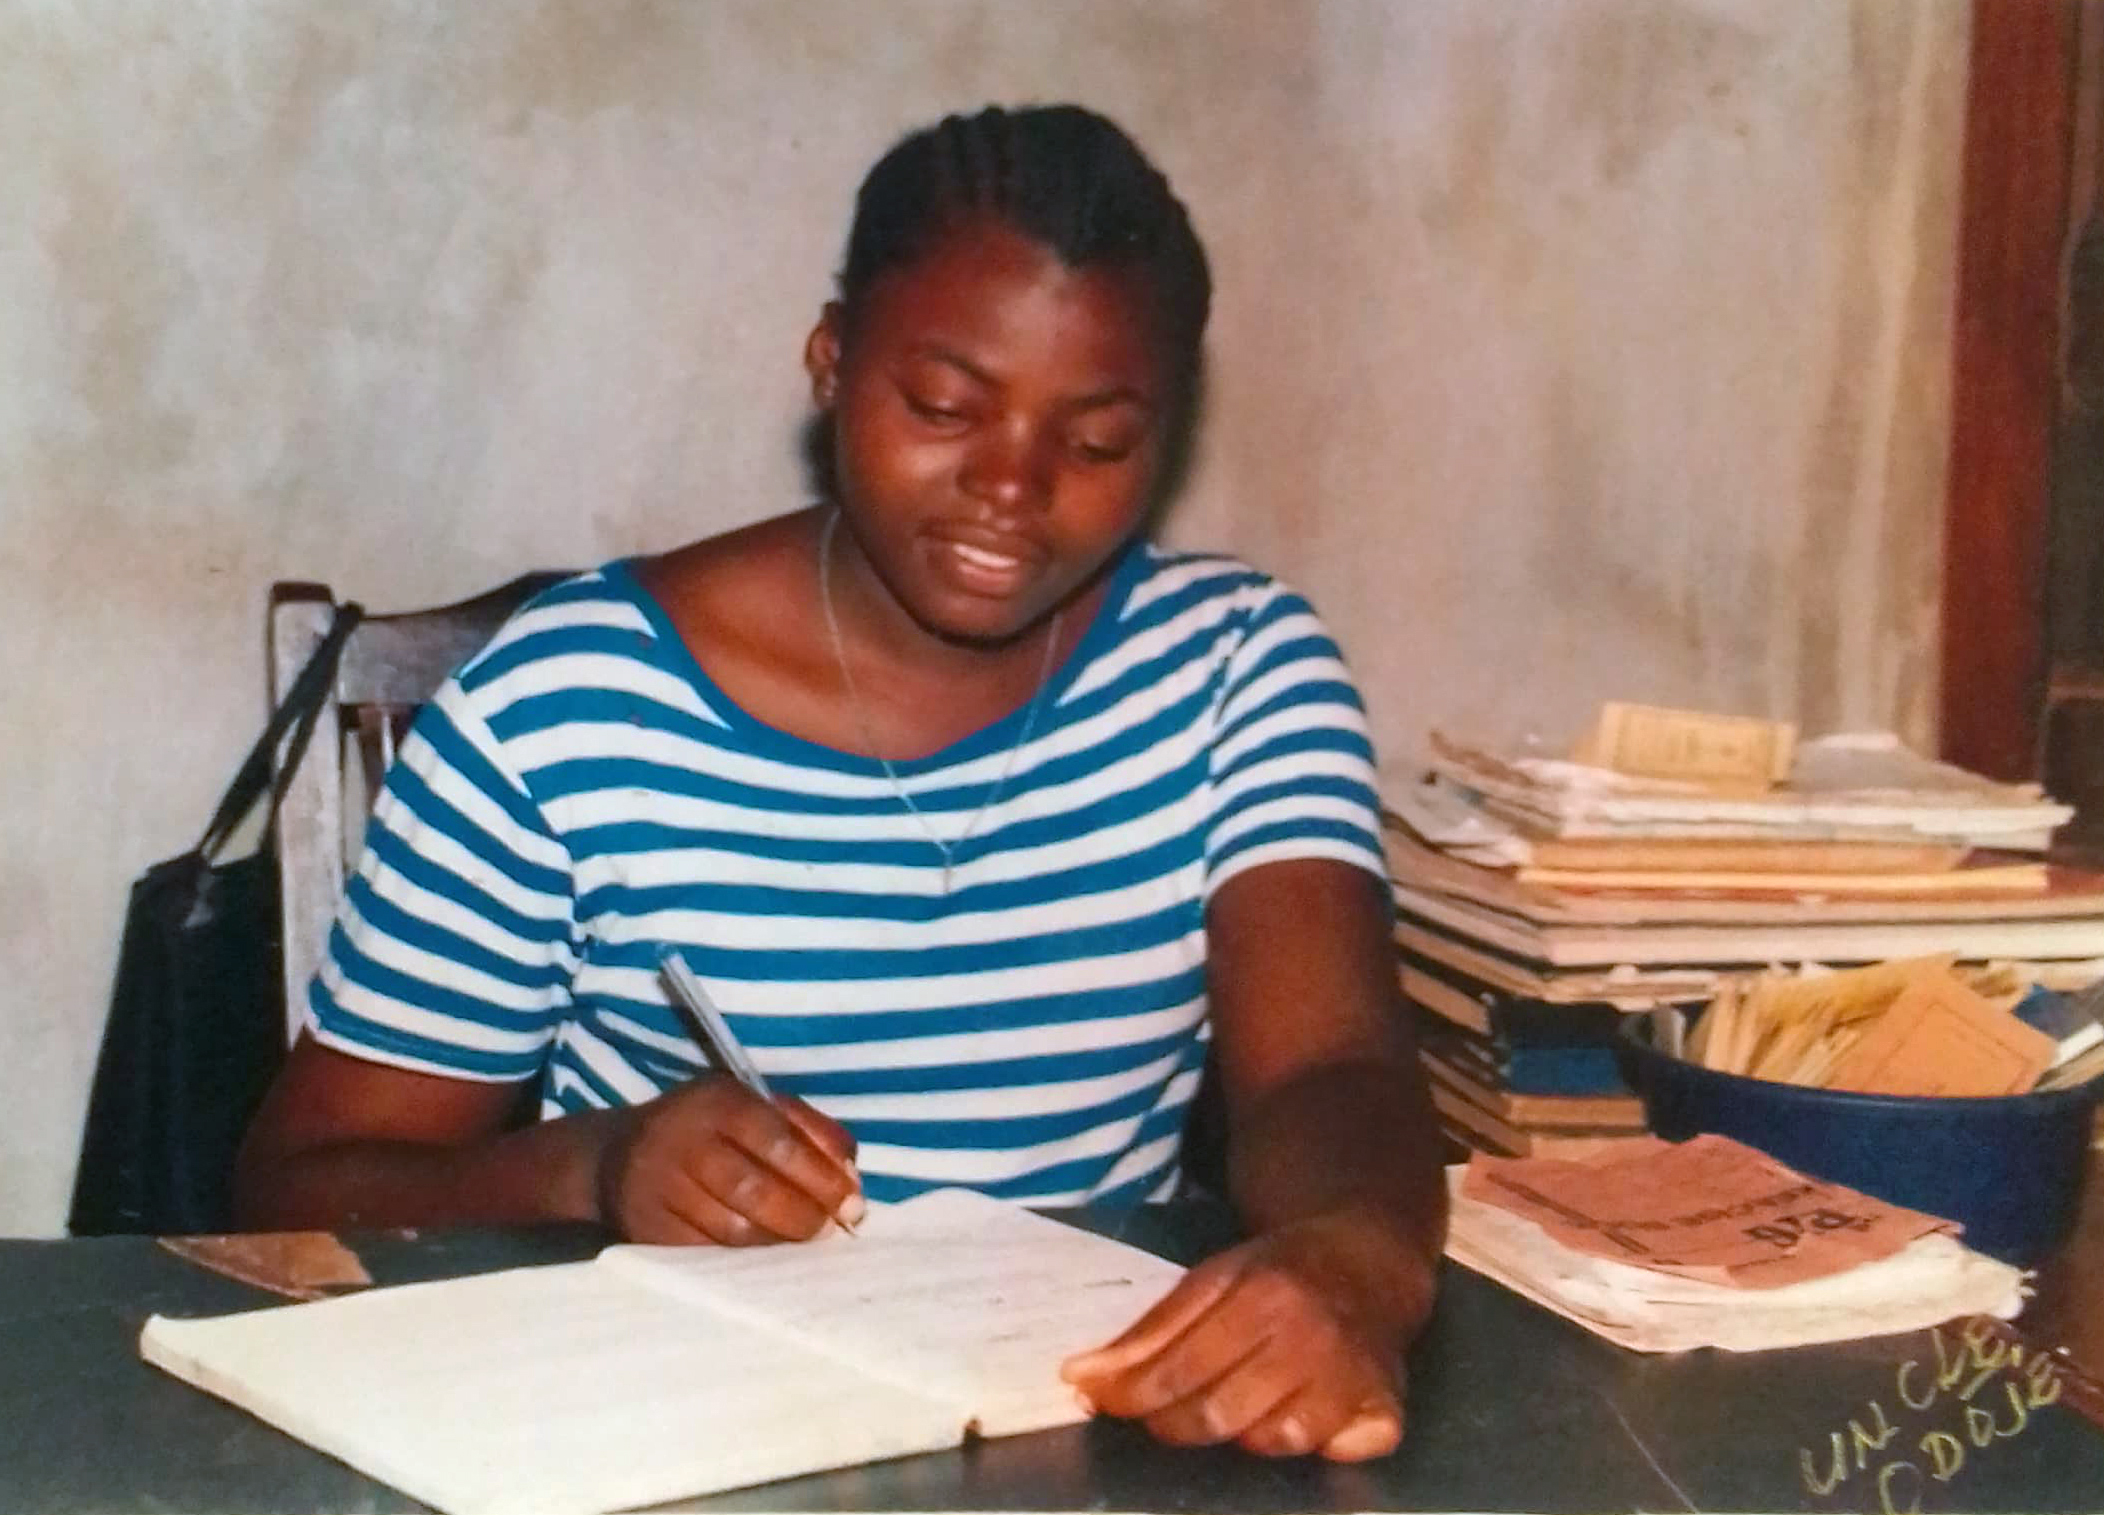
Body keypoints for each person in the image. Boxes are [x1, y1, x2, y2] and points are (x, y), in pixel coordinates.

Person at [236, 103, 1446, 1462]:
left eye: (1097, 442)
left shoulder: (1235, 670)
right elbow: (296, 1187)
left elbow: (1332, 1072)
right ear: (829, 362)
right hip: (677, 1443)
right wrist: (596, 1166)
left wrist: (1355, 1259)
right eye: (942, 408)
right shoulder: (569, 708)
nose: (1011, 486)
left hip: (1091, 1435)